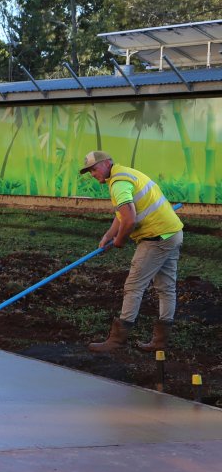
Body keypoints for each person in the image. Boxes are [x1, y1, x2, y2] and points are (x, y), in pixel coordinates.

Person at [79, 150, 184, 352]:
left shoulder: (119, 184)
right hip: (172, 233)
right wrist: (109, 235)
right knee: (166, 287)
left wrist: (119, 241)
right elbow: (122, 214)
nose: (92, 174)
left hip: (156, 239)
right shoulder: (126, 174)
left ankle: (117, 341)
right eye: (89, 171)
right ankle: (160, 341)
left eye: (94, 169)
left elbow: (129, 220)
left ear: (106, 163)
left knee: (134, 286)